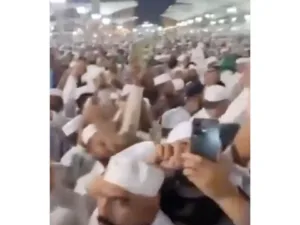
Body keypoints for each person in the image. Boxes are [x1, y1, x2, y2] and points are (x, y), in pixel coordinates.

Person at [87, 156, 173, 225]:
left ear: (152, 206)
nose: (103, 211)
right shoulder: (101, 216)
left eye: (119, 201)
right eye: (101, 196)